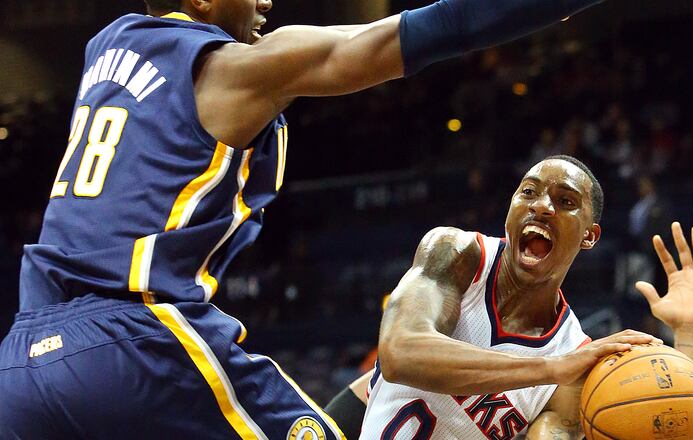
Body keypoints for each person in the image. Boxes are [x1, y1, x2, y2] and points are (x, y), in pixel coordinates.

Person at [0, 0, 612, 438]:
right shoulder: (233, 67)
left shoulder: (106, 48)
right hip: (133, 339)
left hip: (22, 358)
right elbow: (436, 26)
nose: (266, 3)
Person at [356, 155, 693, 439]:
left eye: (565, 201)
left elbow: (676, 418)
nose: (542, 206)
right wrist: (550, 369)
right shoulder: (458, 254)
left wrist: (689, 334)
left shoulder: (572, 356)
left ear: (590, 236)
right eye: (528, 192)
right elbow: (400, 353)